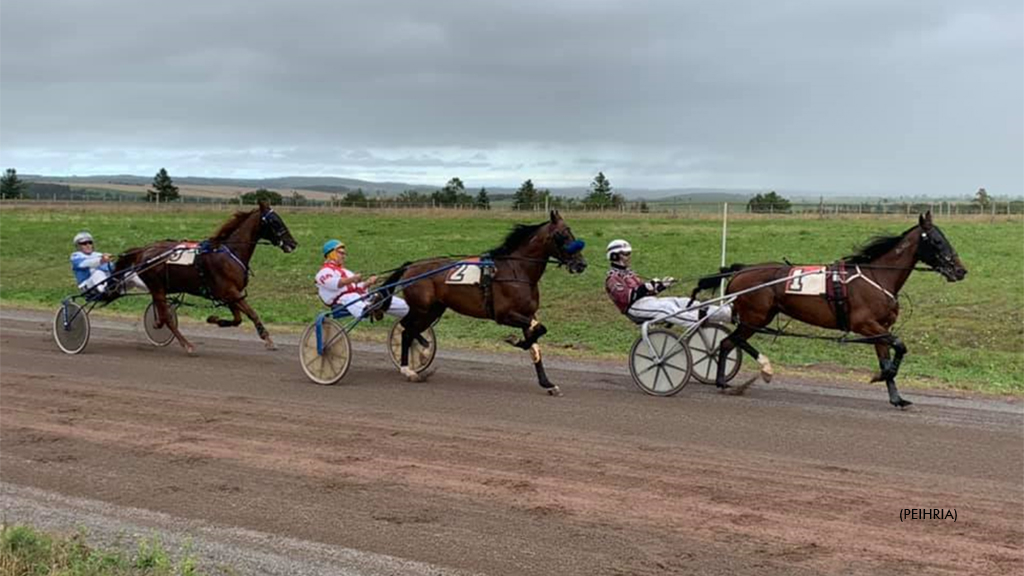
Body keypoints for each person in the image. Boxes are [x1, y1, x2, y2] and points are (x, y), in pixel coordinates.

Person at [604, 238, 731, 327]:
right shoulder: (612, 278)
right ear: (615, 256)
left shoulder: (630, 273)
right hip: (634, 309)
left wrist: (662, 286)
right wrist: (646, 286)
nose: (629, 256)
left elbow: (646, 292)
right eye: (626, 254)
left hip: (648, 302)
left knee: (681, 302)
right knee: (667, 309)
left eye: (629, 253)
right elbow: (626, 298)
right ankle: (697, 321)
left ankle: (726, 314)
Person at [316, 239, 409, 319]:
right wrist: (353, 279)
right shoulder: (324, 272)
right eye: (341, 253)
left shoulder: (346, 271)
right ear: (331, 254)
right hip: (342, 300)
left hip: (360, 296)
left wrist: (368, 283)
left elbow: (357, 287)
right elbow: (336, 284)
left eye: (344, 254)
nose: (343, 256)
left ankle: (408, 309)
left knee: (385, 298)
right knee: (350, 297)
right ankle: (368, 309)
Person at [70, 231, 146, 296]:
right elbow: (85, 263)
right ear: (78, 246)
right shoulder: (76, 256)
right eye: (84, 243)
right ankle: (105, 291)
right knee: (98, 272)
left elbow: (112, 268)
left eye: (90, 242)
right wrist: (101, 261)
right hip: (89, 287)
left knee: (130, 274)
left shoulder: (98, 254)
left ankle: (152, 289)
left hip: (107, 283)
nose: (88, 245)